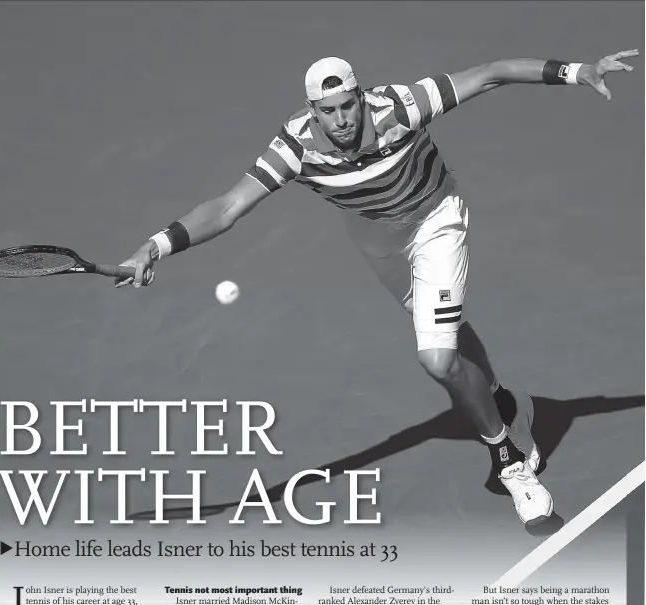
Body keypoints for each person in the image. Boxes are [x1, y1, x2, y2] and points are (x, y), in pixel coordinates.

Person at [115, 49, 638, 526]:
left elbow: (489, 75)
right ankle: (505, 403)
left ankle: (509, 462)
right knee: (446, 333)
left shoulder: (399, 107)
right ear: (311, 111)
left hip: (435, 218)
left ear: (361, 97)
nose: (342, 120)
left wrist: (576, 72)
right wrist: (155, 247)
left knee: (436, 358)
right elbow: (228, 207)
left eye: (348, 106)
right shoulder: (295, 147)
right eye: (329, 111)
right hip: (375, 238)